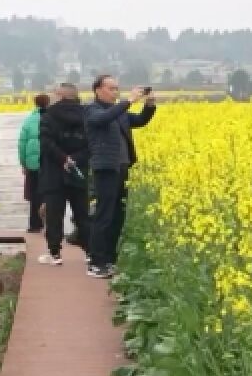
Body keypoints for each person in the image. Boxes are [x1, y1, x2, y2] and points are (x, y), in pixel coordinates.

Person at [84, 75, 157, 278]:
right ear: (98, 90)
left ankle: (109, 259)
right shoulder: (93, 109)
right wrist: (129, 101)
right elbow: (102, 119)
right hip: (106, 168)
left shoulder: (119, 113)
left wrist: (149, 104)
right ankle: (96, 261)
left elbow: (140, 120)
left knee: (118, 216)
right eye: (111, 88)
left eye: (117, 89)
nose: (115, 92)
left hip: (122, 168)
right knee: (104, 214)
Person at [37, 84, 91, 266]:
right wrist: (74, 159)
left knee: (54, 214)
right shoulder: (86, 115)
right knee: (82, 213)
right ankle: (90, 252)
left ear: (60, 96)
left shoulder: (48, 115)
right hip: (78, 170)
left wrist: (63, 159)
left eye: (54, 93)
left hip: (54, 171)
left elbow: (46, 143)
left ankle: (55, 254)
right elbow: (90, 144)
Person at [18, 94, 49, 234]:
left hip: (33, 163)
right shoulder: (53, 118)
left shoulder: (29, 120)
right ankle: (52, 225)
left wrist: (23, 163)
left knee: (35, 194)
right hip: (49, 162)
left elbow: (22, 143)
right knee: (50, 193)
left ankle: (35, 225)